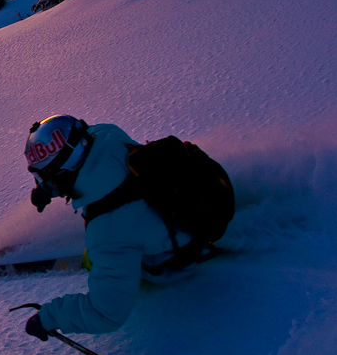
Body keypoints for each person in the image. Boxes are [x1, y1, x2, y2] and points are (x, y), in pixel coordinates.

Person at [20, 115, 203, 342]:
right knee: (114, 243)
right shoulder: (106, 135)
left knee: (100, 256)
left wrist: (48, 318)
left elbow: (106, 314)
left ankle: (120, 267)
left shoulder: (108, 233)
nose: (42, 182)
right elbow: (73, 158)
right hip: (172, 213)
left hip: (178, 260)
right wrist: (49, 188)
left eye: (45, 178)